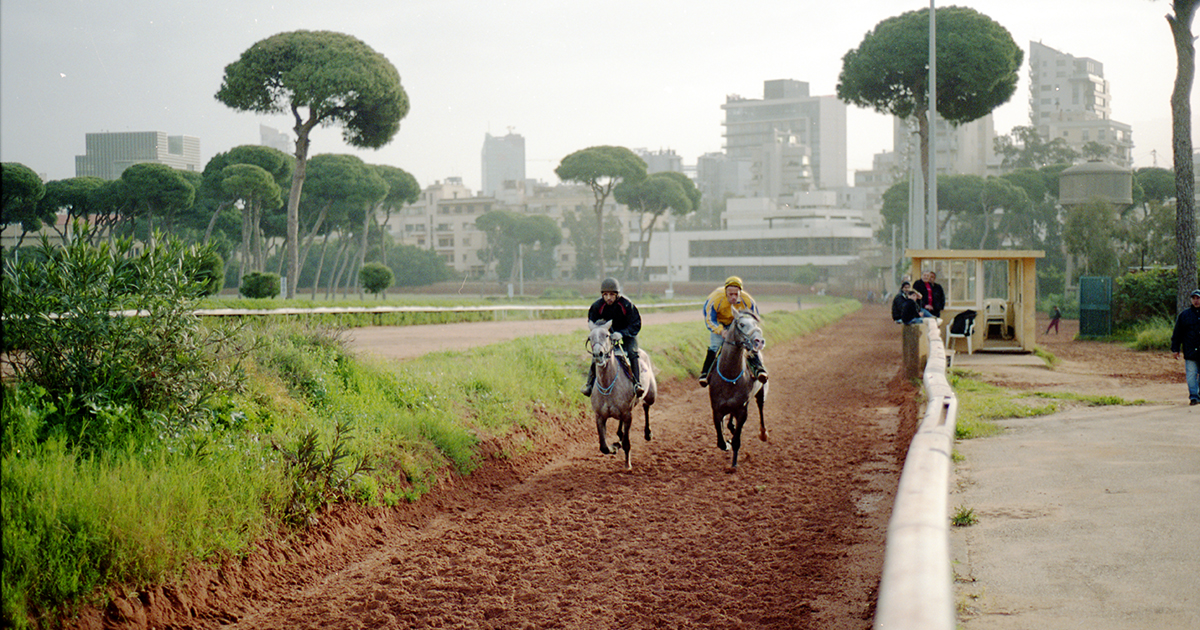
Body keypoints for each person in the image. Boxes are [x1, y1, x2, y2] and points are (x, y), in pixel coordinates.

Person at [699, 276, 767, 386]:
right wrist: (721, 331)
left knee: (749, 344)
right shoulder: (715, 299)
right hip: (720, 323)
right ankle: (705, 373)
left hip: (738, 323)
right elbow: (709, 319)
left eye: (736, 294)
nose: (734, 297)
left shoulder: (747, 300)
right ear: (725, 292)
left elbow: (755, 318)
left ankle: (759, 368)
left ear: (740, 292)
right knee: (715, 346)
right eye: (730, 294)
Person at [581, 277, 644, 397]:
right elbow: (592, 321)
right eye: (605, 295)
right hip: (606, 337)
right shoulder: (597, 306)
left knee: (632, 353)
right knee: (597, 354)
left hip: (627, 335)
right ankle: (589, 385)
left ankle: (637, 384)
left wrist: (622, 333)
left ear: (617, 294)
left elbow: (636, 324)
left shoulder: (626, 305)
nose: (608, 298)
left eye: (611, 294)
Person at [1170, 289, 1200, 406]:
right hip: (1190, 350)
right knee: (1191, 374)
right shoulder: (1184, 315)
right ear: (1191, 300)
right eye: (1194, 298)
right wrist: (1175, 349)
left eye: (1198, 298)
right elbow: (1177, 333)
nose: (1196, 301)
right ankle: (1193, 397)